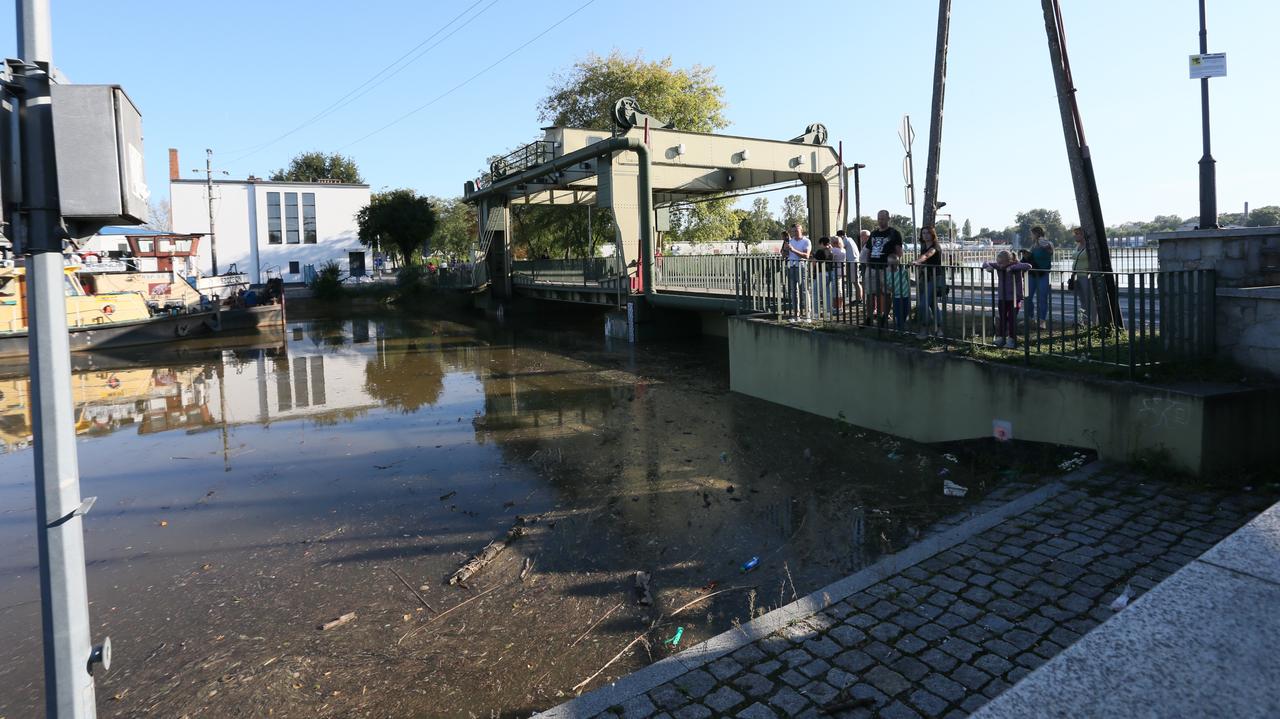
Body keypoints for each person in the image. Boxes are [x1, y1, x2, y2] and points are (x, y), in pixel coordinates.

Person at [982, 250, 1032, 348]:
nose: (999, 265)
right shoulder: (998, 265)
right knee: (1002, 318)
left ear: (1008, 261)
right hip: (1002, 297)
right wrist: (988, 267)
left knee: (1012, 319)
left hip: (1014, 298)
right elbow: (985, 262)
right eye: (998, 263)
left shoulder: (1016, 265)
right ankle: (1001, 337)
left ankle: (1011, 339)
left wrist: (1012, 267)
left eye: (1001, 263)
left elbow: (1028, 266)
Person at [864, 211, 904, 328]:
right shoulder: (874, 233)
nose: (880, 221)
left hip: (886, 268)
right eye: (879, 218)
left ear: (888, 219)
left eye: (883, 218)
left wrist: (894, 262)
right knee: (870, 293)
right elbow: (869, 249)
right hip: (872, 267)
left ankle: (884, 316)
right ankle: (869, 318)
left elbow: (898, 251)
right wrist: (867, 263)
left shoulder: (894, 233)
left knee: (886, 293)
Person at [913, 225, 945, 337]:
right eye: (923, 233)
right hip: (925, 278)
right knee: (932, 305)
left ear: (932, 234)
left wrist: (917, 261)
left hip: (934, 278)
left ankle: (925, 328)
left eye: (927, 233)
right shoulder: (924, 246)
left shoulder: (935, 246)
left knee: (923, 304)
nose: (925, 235)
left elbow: (927, 255)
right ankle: (939, 329)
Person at [1024, 226, 1054, 329]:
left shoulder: (1048, 243)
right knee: (1027, 297)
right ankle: (1030, 317)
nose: (1031, 236)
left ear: (1037, 234)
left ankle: (1042, 320)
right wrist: (1026, 255)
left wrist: (1045, 244)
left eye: (1032, 234)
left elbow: (1050, 252)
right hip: (1032, 274)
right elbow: (1032, 258)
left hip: (1043, 274)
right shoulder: (1033, 246)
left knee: (1042, 297)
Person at [785, 223, 812, 319]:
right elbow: (785, 255)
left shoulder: (806, 241)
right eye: (793, 231)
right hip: (791, 266)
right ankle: (796, 312)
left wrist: (793, 250)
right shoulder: (790, 241)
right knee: (793, 290)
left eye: (796, 231)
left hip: (801, 266)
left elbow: (807, 256)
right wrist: (784, 250)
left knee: (804, 290)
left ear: (801, 230)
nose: (794, 233)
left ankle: (808, 312)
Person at [1070, 227, 1095, 326]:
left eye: (1077, 234)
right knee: (1082, 300)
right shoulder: (1078, 246)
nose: (1075, 236)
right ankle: (1082, 321)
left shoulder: (1088, 247)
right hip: (1076, 275)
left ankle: (1092, 321)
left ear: (1083, 235)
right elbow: (1075, 257)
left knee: (1089, 298)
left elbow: (1085, 257)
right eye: (1075, 233)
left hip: (1085, 275)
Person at [886, 255, 912, 332]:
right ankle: (900, 327)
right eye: (890, 264)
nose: (893, 266)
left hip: (906, 295)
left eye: (895, 264)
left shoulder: (902, 271)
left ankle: (902, 322)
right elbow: (887, 285)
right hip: (897, 296)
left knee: (906, 310)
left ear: (897, 263)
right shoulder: (887, 274)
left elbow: (907, 279)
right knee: (898, 311)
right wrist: (891, 289)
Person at [829, 234, 847, 310]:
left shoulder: (834, 250)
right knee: (840, 288)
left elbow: (830, 258)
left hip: (836, 269)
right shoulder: (843, 249)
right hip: (842, 269)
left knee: (836, 289)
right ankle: (840, 305)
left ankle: (836, 306)